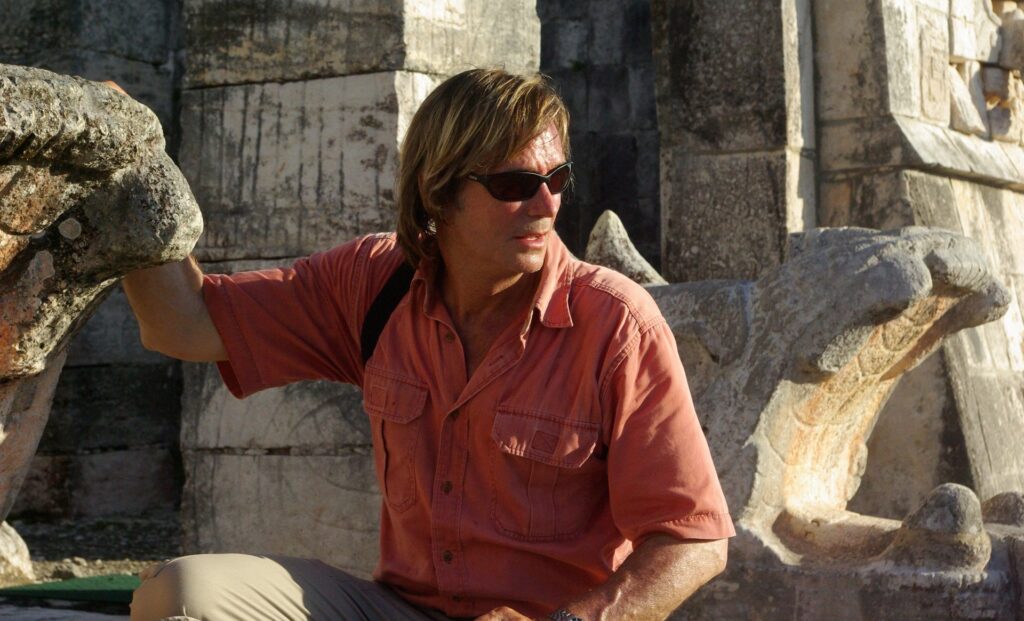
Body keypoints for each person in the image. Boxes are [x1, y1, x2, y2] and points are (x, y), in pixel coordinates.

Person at [122, 69, 735, 621]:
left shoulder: (617, 324)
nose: (547, 204)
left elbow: (695, 538)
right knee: (180, 596)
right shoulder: (375, 283)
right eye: (516, 183)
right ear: (438, 190)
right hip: (399, 608)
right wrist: (130, 161)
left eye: (557, 178)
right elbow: (182, 324)